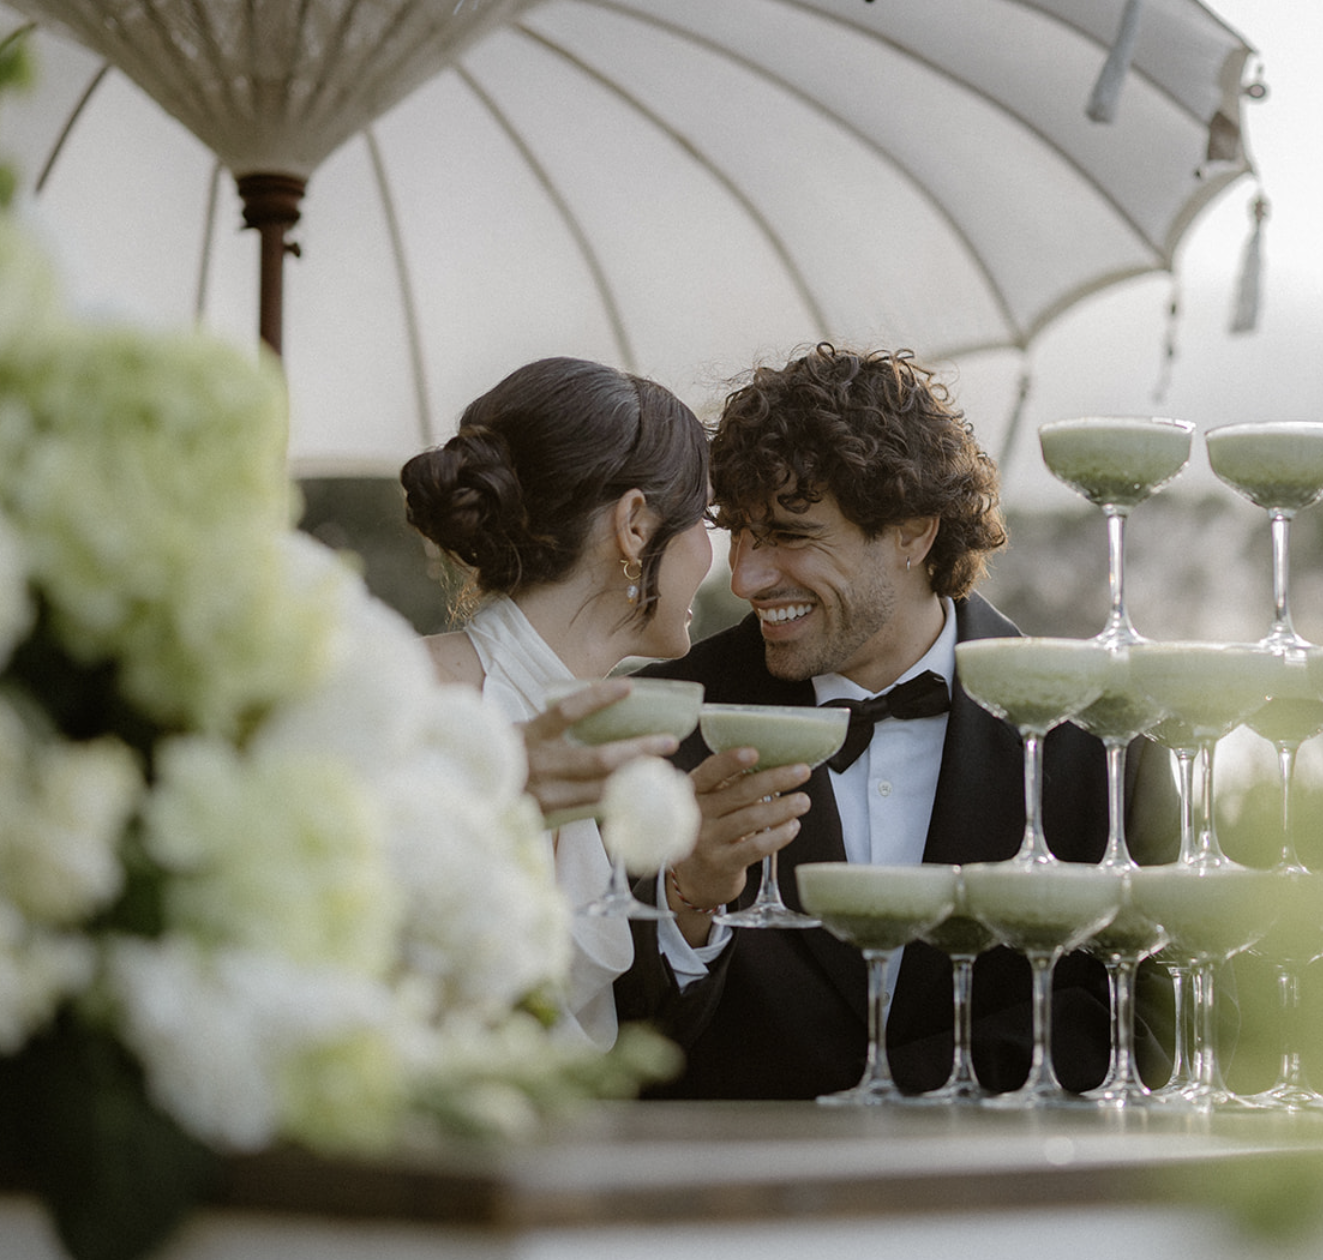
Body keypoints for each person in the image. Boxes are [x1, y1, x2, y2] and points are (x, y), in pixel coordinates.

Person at [618, 343, 1168, 1099]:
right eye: (740, 534)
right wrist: (688, 899)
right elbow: (608, 1038)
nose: (745, 576)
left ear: (913, 531)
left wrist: (907, 1091)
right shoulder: (660, 720)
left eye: (791, 534)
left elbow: (1158, 1022)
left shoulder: (1101, 734)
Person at [401, 356, 712, 1051]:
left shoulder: (623, 734)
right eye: (704, 518)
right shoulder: (408, 697)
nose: (711, 554)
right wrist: (499, 806)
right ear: (635, 525)